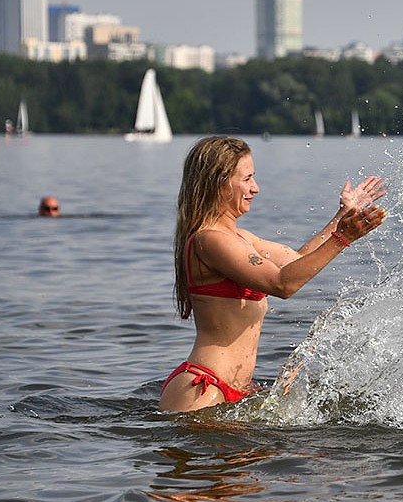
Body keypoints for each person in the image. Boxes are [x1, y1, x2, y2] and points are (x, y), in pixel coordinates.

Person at [159, 136, 387, 412]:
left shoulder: (239, 238)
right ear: (219, 182)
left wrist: (343, 215)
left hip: (237, 391)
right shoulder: (210, 239)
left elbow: (296, 262)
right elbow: (283, 285)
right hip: (204, 389)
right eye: (247, 179)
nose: (256, 188)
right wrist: (343, 238)